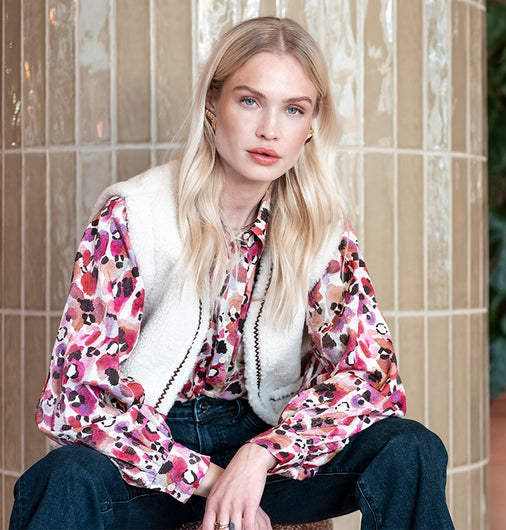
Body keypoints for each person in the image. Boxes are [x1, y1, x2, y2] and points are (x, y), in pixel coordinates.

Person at [9, 16, 453, 530]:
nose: (270, 130)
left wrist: (262, 455)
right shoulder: (133, 214)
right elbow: (75, 396)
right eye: (249, 101)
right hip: (152, 448)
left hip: (264, 442)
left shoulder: (322, 231)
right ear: (212, 104)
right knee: (61, 478)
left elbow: (373, 379)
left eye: (293, 109)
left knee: (411, 449)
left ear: (311, 126)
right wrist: (210, 479)